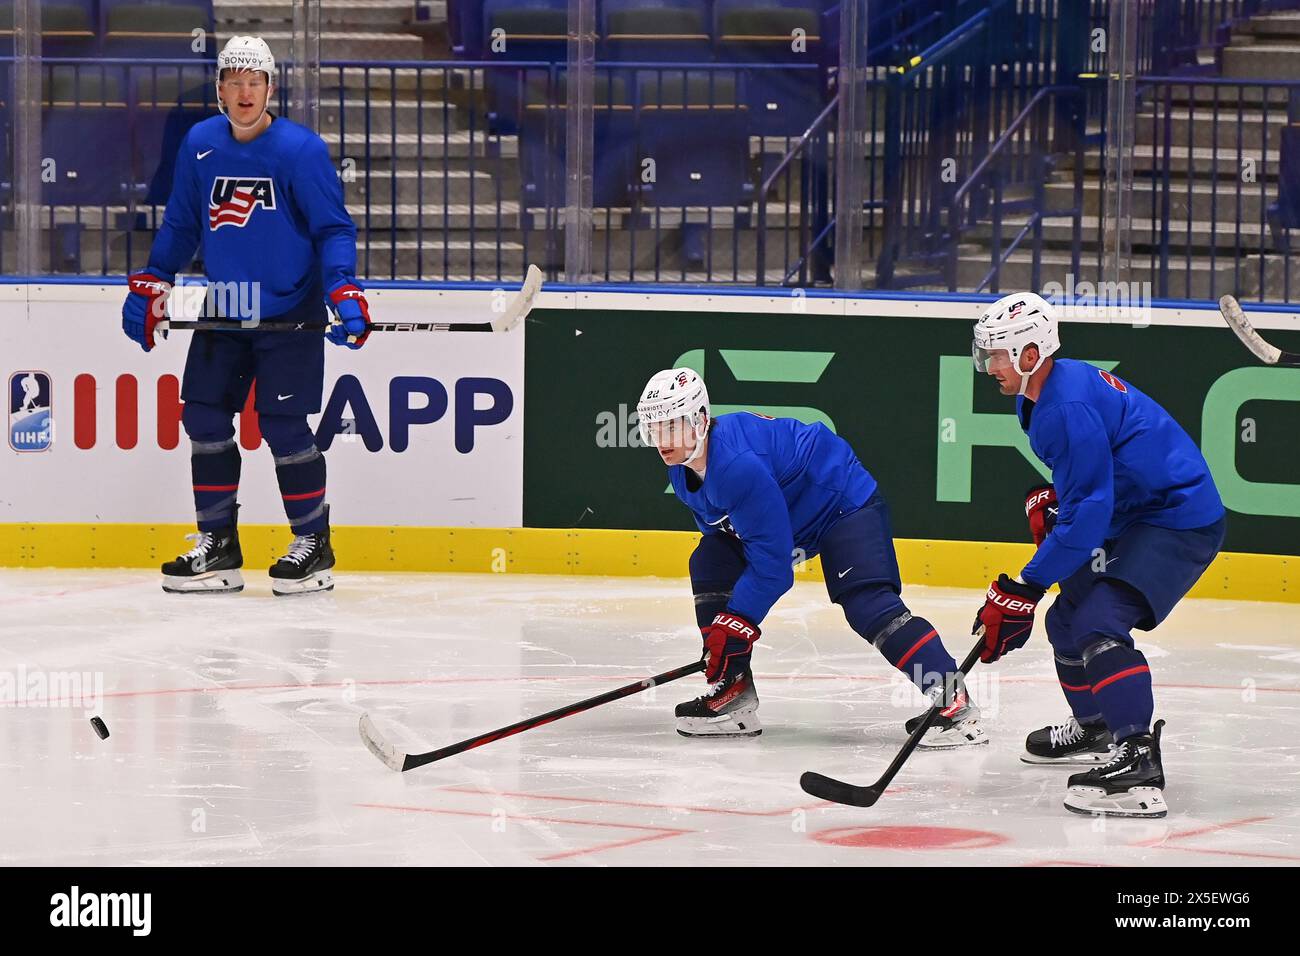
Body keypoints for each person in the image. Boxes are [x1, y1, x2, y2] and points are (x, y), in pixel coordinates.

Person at [121, 36, 371, 596]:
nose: (243, 92)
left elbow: (333, 228)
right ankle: (219, 547)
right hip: (227, 303)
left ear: (270, 89)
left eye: (253, 82)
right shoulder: (201, 143)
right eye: (232, 81)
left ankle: (313, 544)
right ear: (219, 90)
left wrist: (342, 287)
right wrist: (155, 277)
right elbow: (182, 223)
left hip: (290, 305)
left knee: (283, 427)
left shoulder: (300, 151)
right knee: (203, 418)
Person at [969, 292, 1226, 817]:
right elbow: (1091, 490)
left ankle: (1138, 761)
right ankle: (1098, 726)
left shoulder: (1065, 405)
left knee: (1099, 625)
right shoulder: (1041, 393)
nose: (988, 365)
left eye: (997, 354)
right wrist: (1062, 507)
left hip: (1176, 519)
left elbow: (1090, 511)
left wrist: (1024, 587)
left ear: (1030, 353)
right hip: (1135, 513)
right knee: (1067, 621)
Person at [636, 367, 983, 746]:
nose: (662, 440)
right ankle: (731, 693)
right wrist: (728, 623)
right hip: (790, 511)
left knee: (868, 604)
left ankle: (953, 702)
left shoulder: (737, 466)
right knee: (711, 560)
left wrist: (735, 620)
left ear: (701, 420)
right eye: (654, 428)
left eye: (672, 426)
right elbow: (729, 537)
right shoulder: (682, 470)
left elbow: (773, 571)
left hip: (840, 501)